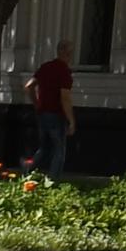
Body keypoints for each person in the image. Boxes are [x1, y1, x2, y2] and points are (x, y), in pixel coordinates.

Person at [27, 40, 77, 179]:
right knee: (59, 151)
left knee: (44, 148)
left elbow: (29, 86)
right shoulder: (64, 71)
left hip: (42, 114)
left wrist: (36, 103)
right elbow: (65, 98)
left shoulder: (45, 67)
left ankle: (28, 172)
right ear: (67, 54)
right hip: (56, 115)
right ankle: (53, 181)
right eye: (70, 53)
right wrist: (71, 121)